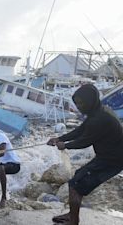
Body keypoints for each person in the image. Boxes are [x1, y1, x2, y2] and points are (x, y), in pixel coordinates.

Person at [47, 84, 123, 225]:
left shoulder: (99, 119)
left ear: (90, 101)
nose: (78, 107)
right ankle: (72, 215)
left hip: (113, 160)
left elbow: (84, 141)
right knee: (77, 178)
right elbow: (80, 130)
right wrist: (60, 138)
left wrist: (65, 145)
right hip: (107, 156)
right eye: (76, 104)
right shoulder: (98, 111)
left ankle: (73, 221)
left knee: (75, 184)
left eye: (81, 103)